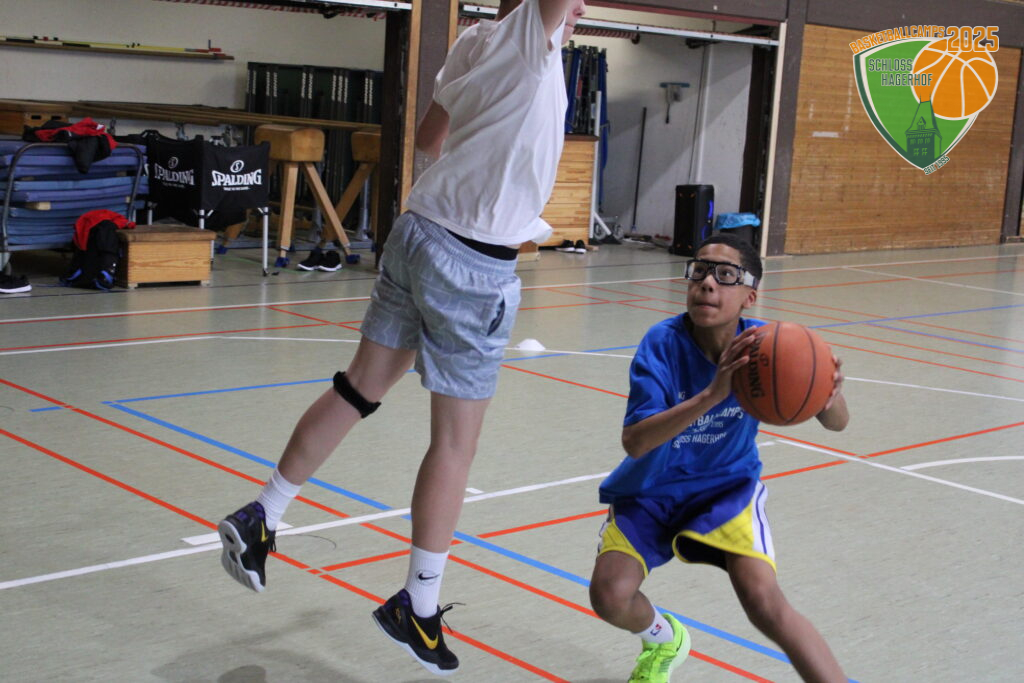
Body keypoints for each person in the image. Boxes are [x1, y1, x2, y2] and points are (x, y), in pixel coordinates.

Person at [217, 0, 588, 676]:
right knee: (455, 444)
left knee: (358, 388)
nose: (582, 7)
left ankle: (262, 514)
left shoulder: (478, 40)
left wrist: (485, 157)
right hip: (472, 261)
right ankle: (416, 605)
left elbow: (428, 136)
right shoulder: (527, 39)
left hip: (420, 229)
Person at [589, 233, 850, 683]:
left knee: (764, 602)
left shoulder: (768, 346)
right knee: (609, 595)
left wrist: (826, 391)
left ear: (750, 296)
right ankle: (664, 638)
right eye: (700, 271)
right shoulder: (662, 343)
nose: (708, 283)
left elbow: (838, 423)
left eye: (726, 275)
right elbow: (635, 442)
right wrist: (712, 395)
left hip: (726, 489)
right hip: (652, 490)